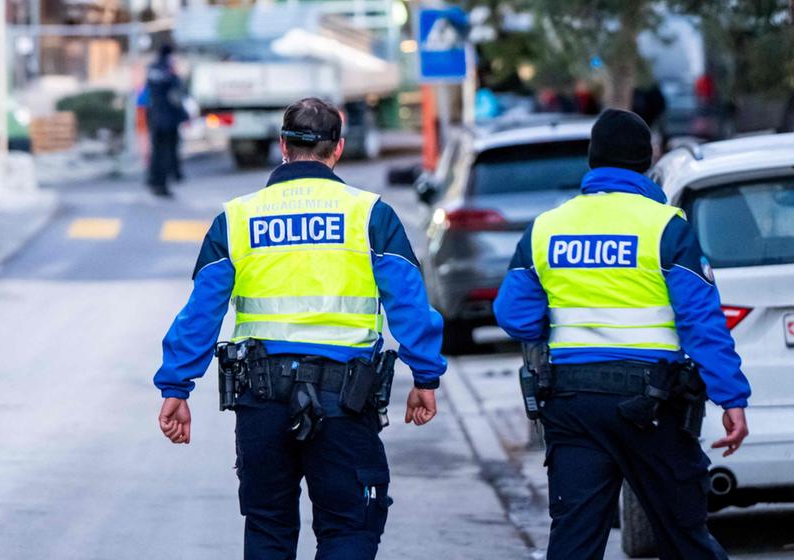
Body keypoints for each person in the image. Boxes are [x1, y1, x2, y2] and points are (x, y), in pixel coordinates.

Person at [153, 97, 447, 559]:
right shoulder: (370, 214)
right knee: (349, 528)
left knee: (268, 528)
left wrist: (177, 386)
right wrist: (425, 377)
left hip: (261, 399)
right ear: (338, 148)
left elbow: (201, 312)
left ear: (282, 145)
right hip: (344, 401)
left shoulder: (238, 217)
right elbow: (409, 303)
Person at [493, 108, 751, 560]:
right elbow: (701, 323)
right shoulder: (665, 227)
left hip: (573, 405)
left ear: (592, 159)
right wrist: (731, 398)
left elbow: (512, 314)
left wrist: (560, 326)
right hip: (651, 405)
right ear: (646, 162)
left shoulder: (547, 227)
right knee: (684, 538)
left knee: (574, 543)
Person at [144, 43, 188, 197]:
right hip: (168, 119)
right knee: (166, 152)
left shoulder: (153, 68)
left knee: (157, 152)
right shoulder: (169, 70)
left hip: (155, 117)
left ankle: (154, 180)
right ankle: (162, 184)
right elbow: (177, 93)